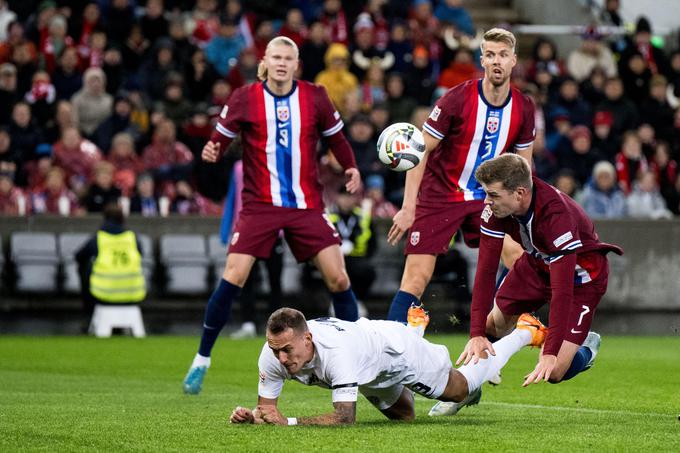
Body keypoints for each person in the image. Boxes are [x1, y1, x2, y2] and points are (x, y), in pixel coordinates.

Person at [183, 36, 362, 395]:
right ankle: (201, 359)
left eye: (288, 58)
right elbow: (219, 140)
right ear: (266, 61)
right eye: (276, 57)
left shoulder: (315, 96)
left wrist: (351, 167)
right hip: (259, 205)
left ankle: (357, 355)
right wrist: (211, 152)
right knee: (233, 276)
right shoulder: (245, 97)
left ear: (296, 64)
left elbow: (337, 139)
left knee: (339, 279)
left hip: (306, 205)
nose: (282, 63)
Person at [432, 154, 622, 415]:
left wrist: (550, 352)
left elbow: (562, 292)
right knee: (490, 326)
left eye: (493, 195)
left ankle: (585, 348)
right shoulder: (496, 210)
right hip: (536, 265)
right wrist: (476, 333)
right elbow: (486, 272)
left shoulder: (556, 218)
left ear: (519, 193)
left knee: (554, 371)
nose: (487, 202)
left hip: (581, 280)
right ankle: (470, 388)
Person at [385, 28, 535, 324]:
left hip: (486, 199)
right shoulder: (456, 99)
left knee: (519, 258)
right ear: (482, 60)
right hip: (440, 195)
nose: (497, 61)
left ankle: (491, 332)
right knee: (416, 278)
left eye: (503, 55)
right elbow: (419, 152)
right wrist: (408, 207)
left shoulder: (524, 107)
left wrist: (526, 214)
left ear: (514, 60)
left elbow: (523, 169)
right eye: (490, 55)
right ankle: (391, 351)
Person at [229, 306, 546, 425]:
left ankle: (524, 332)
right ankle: (415, 329)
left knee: (458, 389)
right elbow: (267, 411)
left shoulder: (337, 354)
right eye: (276, 352)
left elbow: (344, 419)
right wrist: (253, 418)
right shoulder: (271, 354)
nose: (282, 360)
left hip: (397, 354)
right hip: (368, 367)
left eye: (287, 350)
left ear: (307, 339)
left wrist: (291, 422)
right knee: (406, 416)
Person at [75, 204, 146, 326]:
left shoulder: (98, 238)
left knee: (86, 266)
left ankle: (88, 315)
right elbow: (141, 255)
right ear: (123, 219)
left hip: (103, 294)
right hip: (132, 293)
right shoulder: (132, 238)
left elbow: (78, 256)